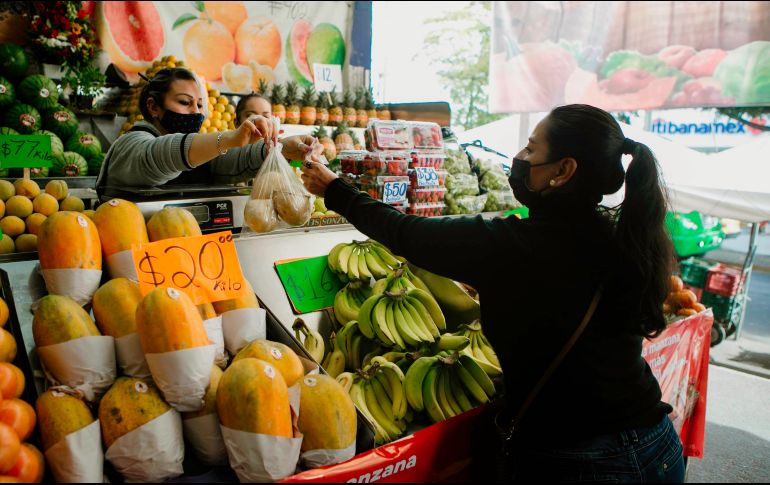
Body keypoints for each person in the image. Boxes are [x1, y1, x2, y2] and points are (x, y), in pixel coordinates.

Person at [300, 104, 685, 483]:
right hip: (657, 442)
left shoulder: (513, 246)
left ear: (563, 170)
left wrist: (335, 189)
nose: (519, 157)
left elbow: (406, 233)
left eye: (532, 149)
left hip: (581, 462)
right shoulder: (623, 238)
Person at [96, 68, 314, 194]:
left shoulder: (203, 151)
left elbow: (235, 160)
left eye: (200, 105)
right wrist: (228, 138)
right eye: (184, 102)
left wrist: (282, 149)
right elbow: (158, 156)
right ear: (153, 107)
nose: (195, 112)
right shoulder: (130, 144)